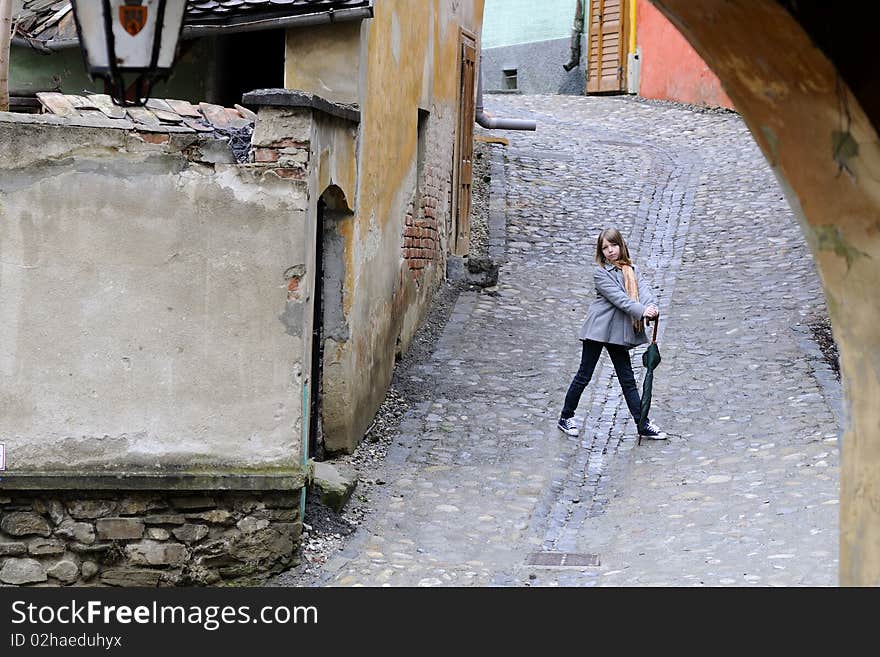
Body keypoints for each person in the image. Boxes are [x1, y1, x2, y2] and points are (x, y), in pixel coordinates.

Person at [557, 228, 667, 440]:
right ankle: (566, 416)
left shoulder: (632, 270)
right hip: (598, 330)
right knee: (584, 375)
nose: (610, 251)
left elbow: (643, 291)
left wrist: (651, 306)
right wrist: (642, 311)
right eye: (605, 248)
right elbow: (621, 300)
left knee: (627, 379)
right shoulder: (601, 274)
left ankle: (642, 423)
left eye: (613, 245)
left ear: (621, 245)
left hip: (617, 332)